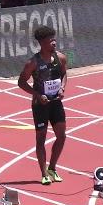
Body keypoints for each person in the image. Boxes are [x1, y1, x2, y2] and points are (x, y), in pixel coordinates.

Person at [17, 25, 68, 185]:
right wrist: (37, 95)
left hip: (56, 103)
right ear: (42, 43)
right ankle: (44, 173)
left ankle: (52, 167)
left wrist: (62, 87)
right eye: (50, 40)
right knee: (41, 140)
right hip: (40, 105)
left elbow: (65, 74)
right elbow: (21, 82)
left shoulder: (60, 58)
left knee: (62, 136)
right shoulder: (33, 62)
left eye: (54, 39)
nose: (54, 42)